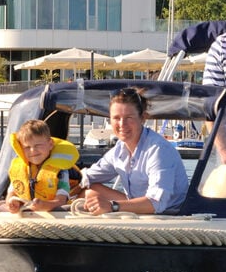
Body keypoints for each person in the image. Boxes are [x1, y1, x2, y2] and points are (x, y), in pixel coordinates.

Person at [80, 87, 188, 215]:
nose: (122, 124)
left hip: (170, 215)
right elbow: (86, 178)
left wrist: (112, 206)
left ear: (142, 118)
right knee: (89, 191)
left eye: (129, 118)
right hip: (138, 209)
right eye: (116, 118)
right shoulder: (118, 150)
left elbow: (156, 203)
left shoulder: (158, 150)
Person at [6, 119, 81, 213]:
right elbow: (12, 192)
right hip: (29, 210)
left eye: (38, 145)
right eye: (27, 147)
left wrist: (45, 205)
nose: (33, 151)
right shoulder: (19, 169)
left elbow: (61, 200)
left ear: (50, 144)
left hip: (57, 211)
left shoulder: (61, 170)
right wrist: (12, 203)